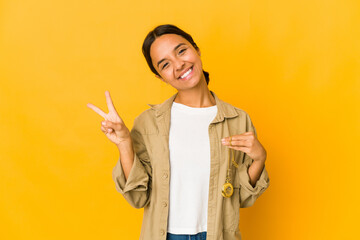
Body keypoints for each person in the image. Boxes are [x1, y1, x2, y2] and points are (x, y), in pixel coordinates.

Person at [87, 24, 270, 240]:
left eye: (181, 51)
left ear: (196, 49)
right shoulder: (148, 123)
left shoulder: (238, 120)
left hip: (217, 235)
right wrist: (125, 142)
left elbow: (241, 198)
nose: (179, 64)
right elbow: (137, 197)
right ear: (160, 77)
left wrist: (259, 159)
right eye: (165, 64)